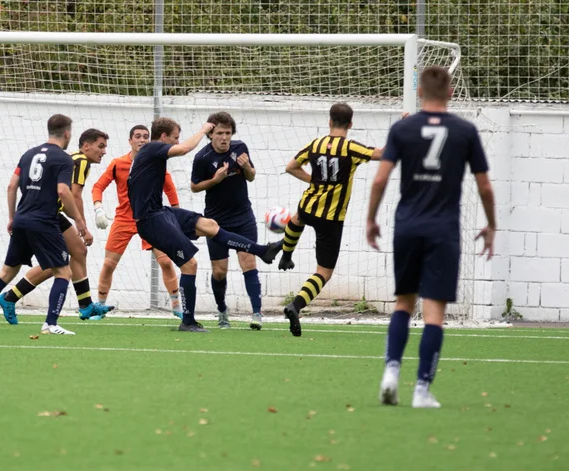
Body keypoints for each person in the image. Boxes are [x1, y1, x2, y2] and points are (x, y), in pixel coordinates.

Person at [365, 66, 496, 408]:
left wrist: (371, 219)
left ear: (420, 92)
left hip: (408, 226)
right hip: (443, 230)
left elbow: (379, 180)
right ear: (451, 92)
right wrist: (491, 224)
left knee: (403, 303)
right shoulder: (465, 131)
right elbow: (484, 186)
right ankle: (421, 390)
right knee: (434, 312)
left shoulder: (402, 128)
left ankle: (391, 372)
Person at [127, 117, 281, 332]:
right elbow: (184, 149)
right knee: (190, 265)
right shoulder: (152, 148)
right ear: (163, 137)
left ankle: (262, 251)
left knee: (209, 225)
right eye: (175, 137)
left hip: (161, 212)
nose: (177, 141)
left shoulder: (151, 152)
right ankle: (188, 321)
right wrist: (202, 131)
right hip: (150, 220)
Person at [0, 114, 90, 336]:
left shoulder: (28, 154)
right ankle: (50, 324)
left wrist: (12, 217)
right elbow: (63, 191)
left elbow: (11, 186)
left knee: (6, 272)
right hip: (44, 221)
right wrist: (79, 221)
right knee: (63, 271)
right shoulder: (64, 159)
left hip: (22, 219)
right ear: (67, 133)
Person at [279, 103, 383, 336]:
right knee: (323, 272)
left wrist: (313, 180)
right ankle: (295, 305)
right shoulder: (351, 148)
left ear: (329, 122)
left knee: (297, 218)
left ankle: (286, 255)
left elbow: (291, 167)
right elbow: (382, 154)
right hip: (331, 218)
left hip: (309, 205)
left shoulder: (315, 144)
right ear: (350, 124)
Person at [0, 128, 113, 323]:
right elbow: (74, 195)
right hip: (47, 215)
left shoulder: (74, 158)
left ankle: (84, 305)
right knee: (60, 263)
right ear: (86, 146)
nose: (104, 151)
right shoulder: (82, 162)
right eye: (100, 146)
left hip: (48, 213)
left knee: (72, 255)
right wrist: (82, 226)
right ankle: (12, 298)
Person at [93, 125, 185, 317]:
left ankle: (177, 307)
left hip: (151, 218)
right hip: (124, 219)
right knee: (108, 264)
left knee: (166, 262)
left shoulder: (156, 163)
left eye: (145, 136)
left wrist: (177, 216)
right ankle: (99, 306)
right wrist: (98, 208)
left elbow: (170, 189)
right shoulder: (118, 164)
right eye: (137, 136)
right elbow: (98, 186)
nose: (142, 140)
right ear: (130, 140)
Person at [190, 111, 263, 329]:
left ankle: (257, 313)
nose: (224, 138)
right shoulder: (202, 157)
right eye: (220, 133)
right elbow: (194, 187)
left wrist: (247, 167)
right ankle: (222, 310)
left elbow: (251, 176)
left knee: (248, 261)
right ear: (210, 135)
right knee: (219, 271)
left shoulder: (240, 148)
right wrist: (215, 180)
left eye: (228, 133)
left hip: (243, 218)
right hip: (216, 222)